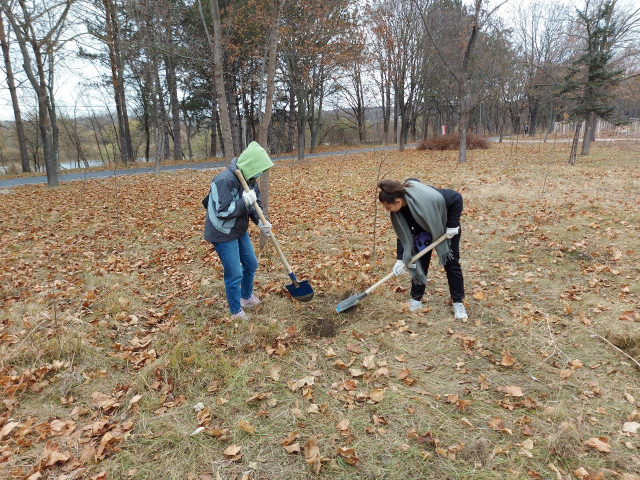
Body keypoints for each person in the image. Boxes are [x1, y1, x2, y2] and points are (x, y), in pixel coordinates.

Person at [377, 178, 468, 320]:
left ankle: (457, 302)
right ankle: (416, 299)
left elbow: (456, 197)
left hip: (443, 225)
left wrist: (452, 224)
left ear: (398, 202)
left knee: (451, 263)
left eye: (388, 207)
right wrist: (400, 259)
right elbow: (403, 235)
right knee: (418, 261)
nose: (387, 210)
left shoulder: (427, 198)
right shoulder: (399, 212)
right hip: (422, 230)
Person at [203, 141, 274, 318]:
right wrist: (244, 202)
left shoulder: (250, 180)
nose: (260, 174)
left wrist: (261, 222)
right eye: (260, 169)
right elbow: (222, 211)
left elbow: (255, 204)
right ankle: (235, 310)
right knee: (234, 273)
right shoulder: (224, 181)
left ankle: (245, 296)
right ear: (251, 165)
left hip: (239, 229)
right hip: (222, 232)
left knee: (251, 263)